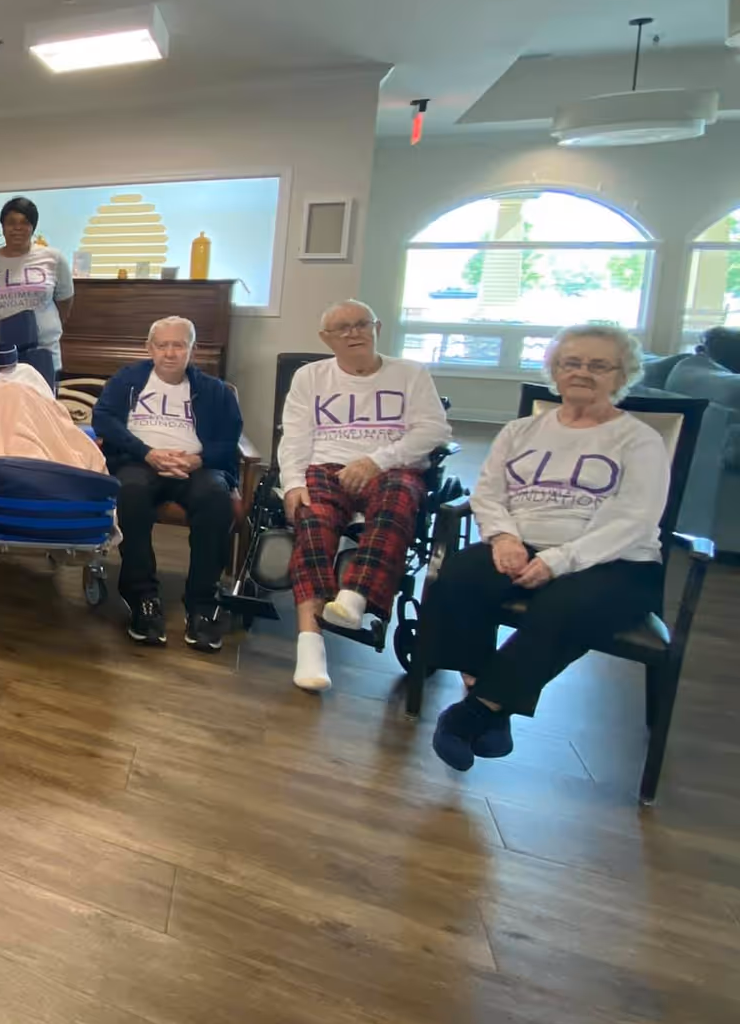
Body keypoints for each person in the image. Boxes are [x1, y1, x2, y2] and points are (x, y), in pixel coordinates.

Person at [420, 325, 667, 770]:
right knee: (457, 576)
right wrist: (503, 536)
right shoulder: (520, 431)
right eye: (571, 363)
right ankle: (491, 704)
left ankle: (470, 714)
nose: (582, 372)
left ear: (622, 374)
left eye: (598, 365)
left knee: (564, 605)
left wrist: (557, 560)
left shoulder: (639, 440)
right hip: (522, 542)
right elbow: (489, 492)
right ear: (554, 370)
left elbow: (635, 520)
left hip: (615, 561)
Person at [278, 300, 451, 692]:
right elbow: (295, 438)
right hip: (325, 469)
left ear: (377, 328)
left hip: (392, 469)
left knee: (399, 501)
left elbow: (434, 431)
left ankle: (354, 598)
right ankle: (310, 645)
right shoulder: (310, 377)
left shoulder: (410, 374)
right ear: (326, 338)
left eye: (361, 324)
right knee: (312, 519)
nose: (353, 333)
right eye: (342, 328)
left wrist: (376, 460)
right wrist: (292, 483)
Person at [92, 316, 243, 652]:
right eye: (163, 345)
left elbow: (228, 437)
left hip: (196, 466)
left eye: (179, 345)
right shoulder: (127, 380)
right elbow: (103, 418)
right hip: (140, 462)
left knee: (216, 499)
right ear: (150, 348)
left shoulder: (216, 391)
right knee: (128, 493)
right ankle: (143, 597)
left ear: (193, 349)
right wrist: (147, 453)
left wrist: (198, 460)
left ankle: (202, 605)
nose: (170, 353)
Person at [0, 196, 75, 376]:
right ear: (2, 226)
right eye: (11, 222)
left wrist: (45, 324)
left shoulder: (54, 259)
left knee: (41, 404)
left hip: (42, 352)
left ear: (33, 227)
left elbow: (65, 302)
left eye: (25, 222)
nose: (17, 228)